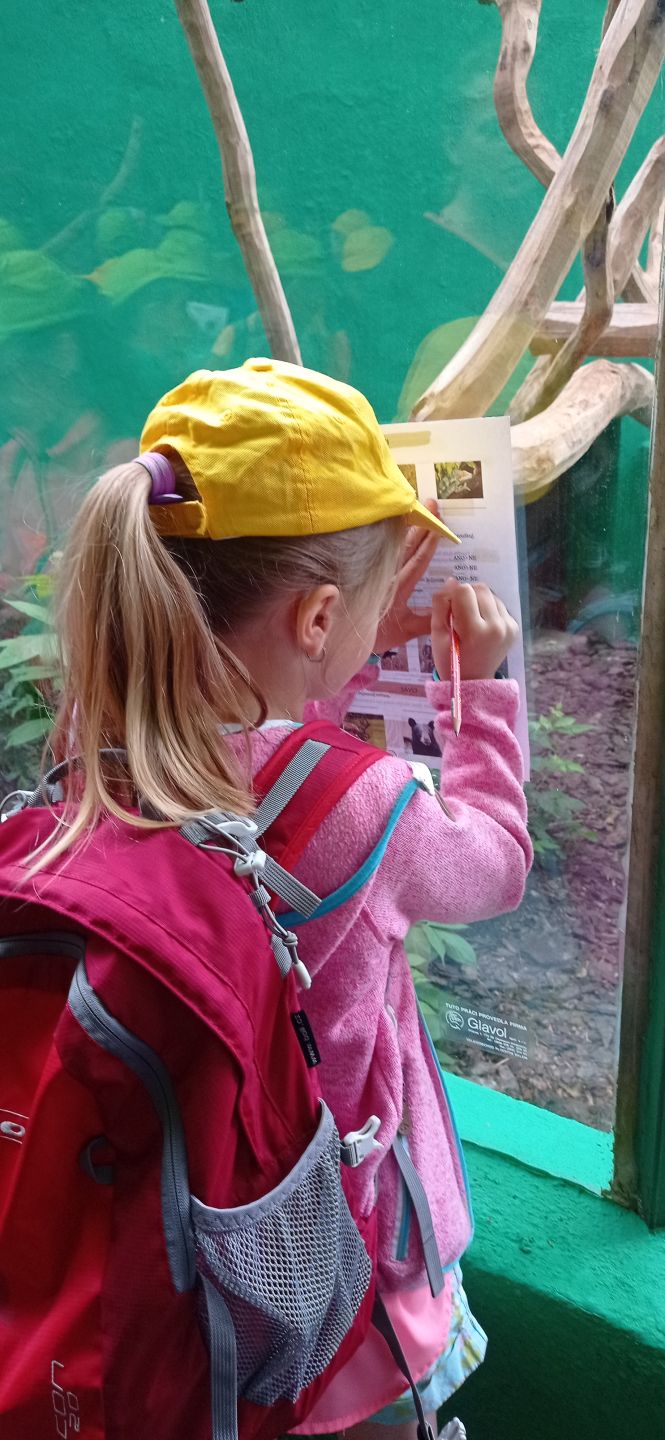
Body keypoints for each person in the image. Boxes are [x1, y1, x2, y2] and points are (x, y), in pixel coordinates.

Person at [44, 358, 532, 1437]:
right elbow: (495, 863)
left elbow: (250, 748)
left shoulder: (98, 748)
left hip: (184, 1254)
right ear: (315, 619)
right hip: (338, 1280)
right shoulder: (371, 806)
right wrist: (483, 691)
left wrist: (339, 644)